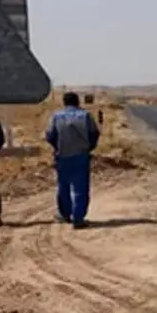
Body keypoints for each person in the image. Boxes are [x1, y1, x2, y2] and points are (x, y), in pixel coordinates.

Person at [45, 91, 101, 229]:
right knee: (81, 187)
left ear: (64, 103)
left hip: (62, 156)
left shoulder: (57, 116)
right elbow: (94, 133)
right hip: (81, 155)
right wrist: (89, 148)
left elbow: (50, 135)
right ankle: (78, 218)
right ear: (78, 102)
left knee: (63, 186)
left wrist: (58, 147)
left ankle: (65, 214)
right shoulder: (86, 116)